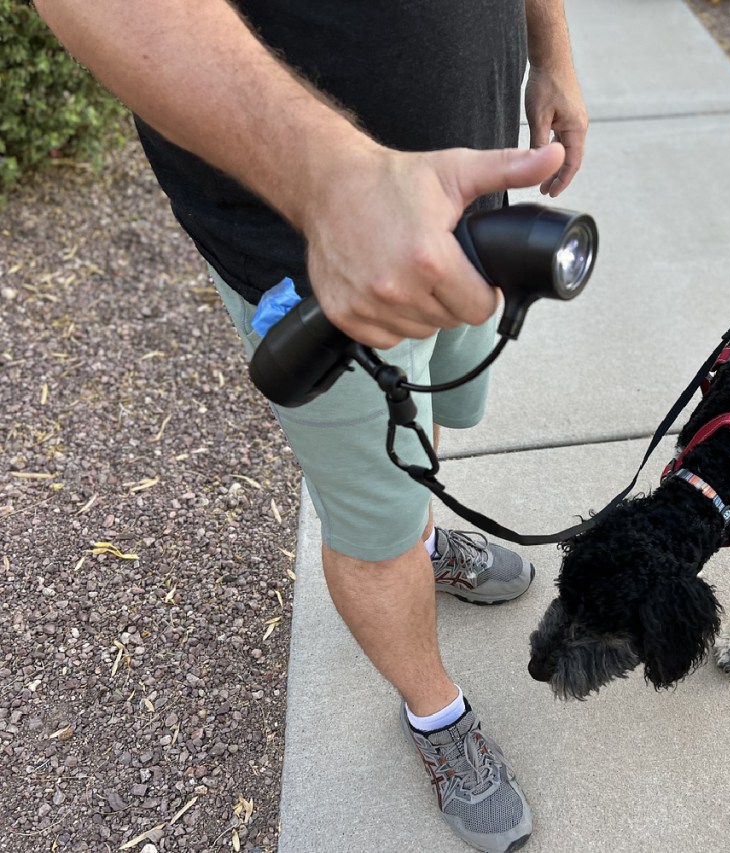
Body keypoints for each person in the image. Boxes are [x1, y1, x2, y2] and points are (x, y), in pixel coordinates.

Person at [32, 1, 588, 850]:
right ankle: (435, 714)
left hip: (468, 186)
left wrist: (552, 52)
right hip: (310, 241)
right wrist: (333, 182)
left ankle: (427, 544)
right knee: (373, 524)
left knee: (428, 419)